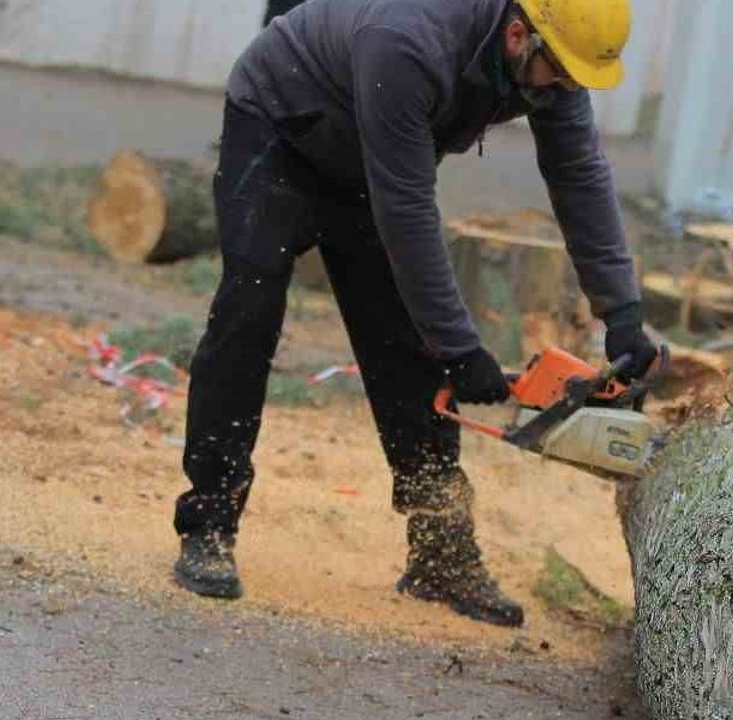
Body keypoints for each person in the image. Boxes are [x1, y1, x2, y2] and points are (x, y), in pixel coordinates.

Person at [172, 0, 657, 628]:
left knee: (406, 348)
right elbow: (404, 205)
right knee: (249, 308)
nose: (563, 92)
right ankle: (207, 524)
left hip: (378, 151)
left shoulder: (554, 54)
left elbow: (580, 174)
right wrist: (460, 346)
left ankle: (441, 554)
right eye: (558, 76)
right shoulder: (408, 40)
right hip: (284, 125)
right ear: (518, 36)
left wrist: (621, 310)